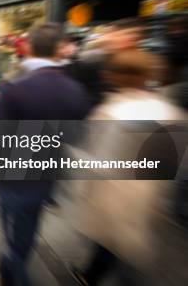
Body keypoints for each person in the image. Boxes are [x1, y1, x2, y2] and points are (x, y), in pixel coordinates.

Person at [71, 50, 185, 286]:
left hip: (116, 191)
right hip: (150, 191)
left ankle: (91, 276)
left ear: (115, 76)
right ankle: (92, 273)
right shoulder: (168, 110)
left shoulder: (114, 111)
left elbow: (102, 160)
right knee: (129, 243)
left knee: (114, 240)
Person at [0, 23, 91, 286]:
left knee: (10, 230)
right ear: (60, 50)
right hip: (46, 177)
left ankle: (13, 269)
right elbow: (78, 136)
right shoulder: (75, 90)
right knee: (26, 230)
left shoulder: (14, 86)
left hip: (12, 175)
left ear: (30, 47)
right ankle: (12, 264)